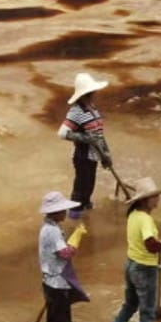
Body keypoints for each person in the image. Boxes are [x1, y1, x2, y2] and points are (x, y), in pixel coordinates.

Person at [110, 177, 161, 322]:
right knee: (147, 315)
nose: (158, 199)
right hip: (145, 269)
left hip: (131, 266)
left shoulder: (133, 215)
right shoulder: (145, 219)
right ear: (145, 200)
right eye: (154, 196)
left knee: (129, 305)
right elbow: (149, 244)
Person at [37, 191, 89, 322]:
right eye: (63, 210)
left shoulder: (47, 228)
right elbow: (66, 254)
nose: (65, 213)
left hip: (48, 282)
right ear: (56, 212)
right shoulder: (52, 231)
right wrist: (77, 237)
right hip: (58, 284)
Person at [58, 70, 112, 219]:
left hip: (93, 155)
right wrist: (85, 138)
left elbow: (99, 135)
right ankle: (74, 217)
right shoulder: (76, 112)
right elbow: (62, 133)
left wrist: (106, 155)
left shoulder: (92, 109)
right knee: (81, 188)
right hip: (82, 156)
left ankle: (86, 215)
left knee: (89, 186)